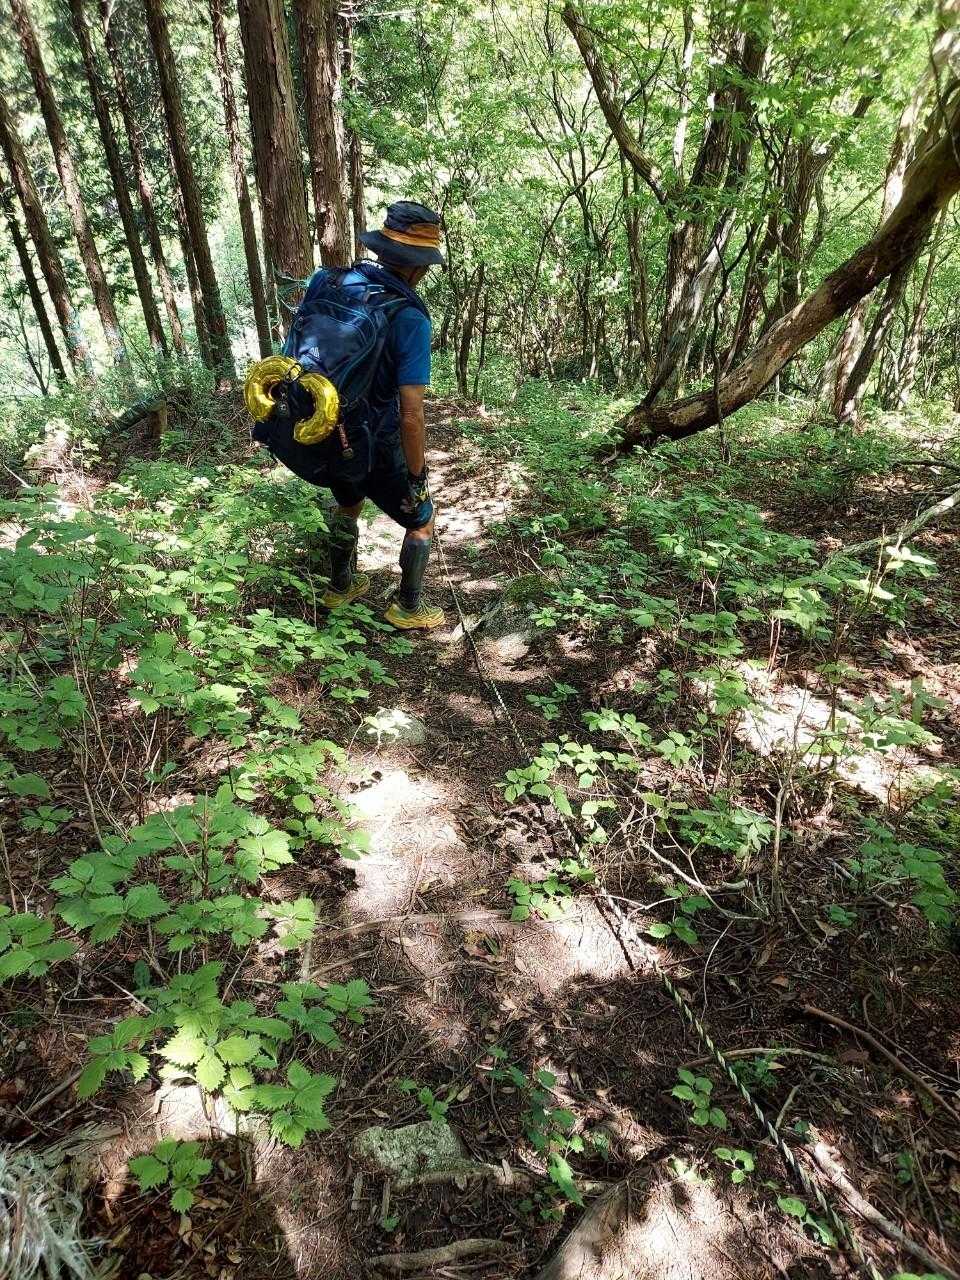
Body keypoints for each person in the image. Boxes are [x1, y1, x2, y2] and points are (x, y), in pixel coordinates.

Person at [320, 200, 446, 631]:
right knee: (422, 520)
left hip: (331, 427)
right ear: (416, 265)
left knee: (347, 502)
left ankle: (340, 586)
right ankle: (408, 607)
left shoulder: (333, 281)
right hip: (377, 437)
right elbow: (411, 413)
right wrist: (417, 475)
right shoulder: (410, 317)